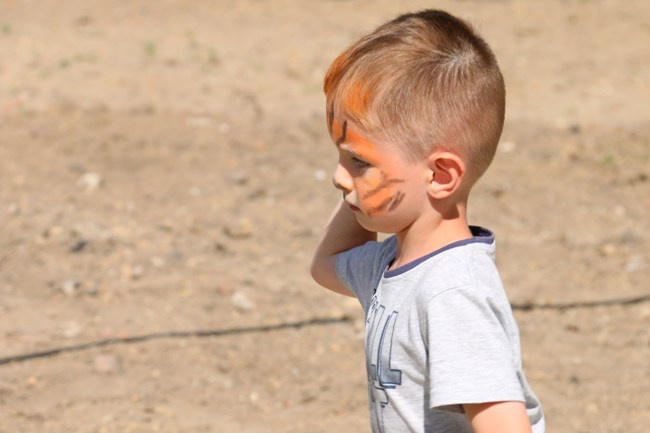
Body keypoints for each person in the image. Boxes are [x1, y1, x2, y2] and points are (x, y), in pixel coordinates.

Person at [310, 9, 544, 433]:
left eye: (360, 160)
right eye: (340, 156)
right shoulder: (390, 266)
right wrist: (357, 187)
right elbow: (328, 265)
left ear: (440, 176)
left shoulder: (453, 294)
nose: (337, 175)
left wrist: (358, 189)